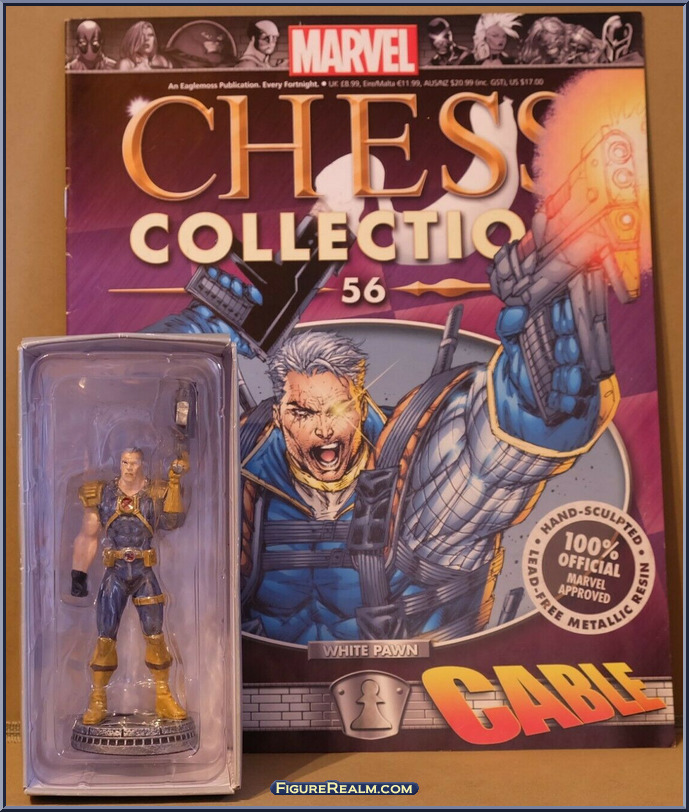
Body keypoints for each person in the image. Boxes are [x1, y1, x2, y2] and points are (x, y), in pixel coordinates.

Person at [71, 447, 189, 725]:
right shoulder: (102, 494)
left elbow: (173, 521)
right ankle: (98, 698)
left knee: (155, 636)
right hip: (115, 573)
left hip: (144, 573)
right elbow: (88, 535)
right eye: (124, 462)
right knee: (105, 638)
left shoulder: (155, 493)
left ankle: (163, 696)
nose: (128, 468)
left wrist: (174, 482)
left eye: (133, 463)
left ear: (142, 465)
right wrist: (79, 574)